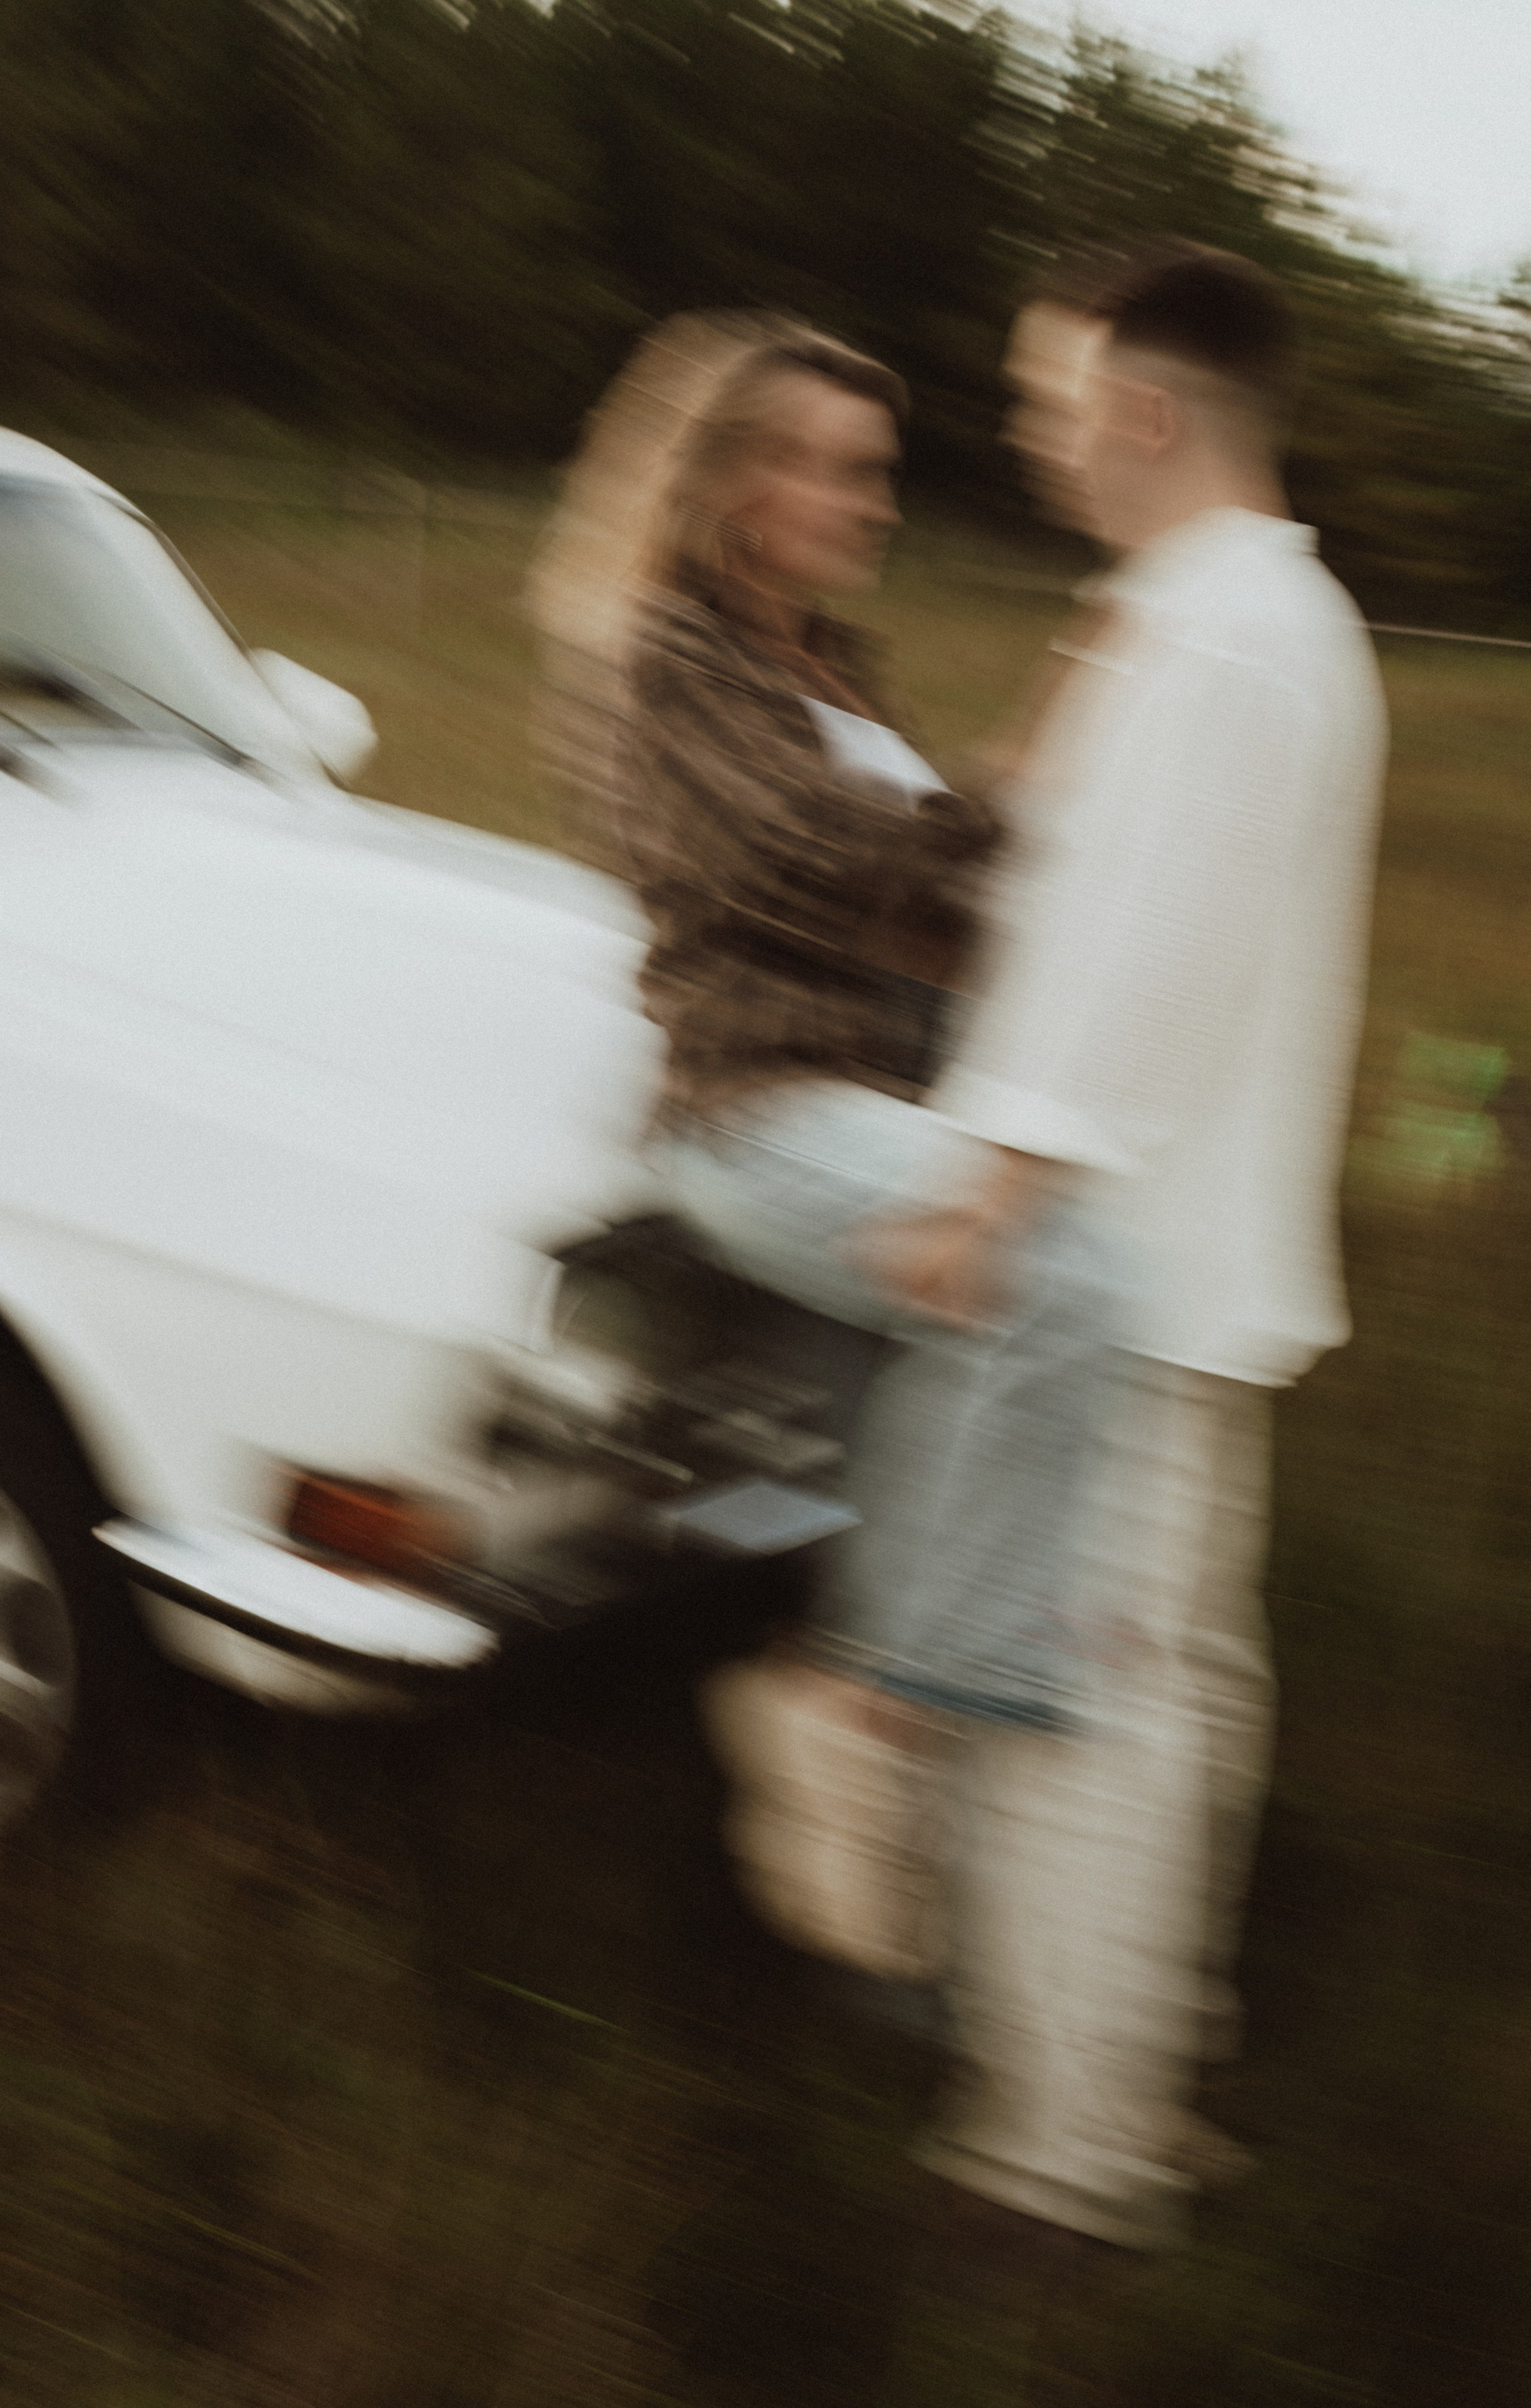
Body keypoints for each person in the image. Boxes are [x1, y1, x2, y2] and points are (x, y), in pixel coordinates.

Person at [842, 241, 1388, 2248]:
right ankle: (1150, 2059)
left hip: (1121, 1272)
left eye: (1042, 392)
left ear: (1143, 409)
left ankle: (1064, 2141)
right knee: (1175, 1695)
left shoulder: (1224, 640)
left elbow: (1135, 967)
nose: (1022, 425)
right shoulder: (1236, 617)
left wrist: (993, 1192)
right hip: (1189, 1260)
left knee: (1078, 1706)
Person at [529, 312, 1130, 1964]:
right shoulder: (655, 655)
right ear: (727, 474)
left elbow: (940, 903)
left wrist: (978, 868)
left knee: (909, 1516)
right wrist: (1038, 760)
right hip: (757, 1120)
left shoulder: (833, 667)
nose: (859, 496)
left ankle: (913, 1999)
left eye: (871, 466)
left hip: (894, 1112)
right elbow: (807, 860)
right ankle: (846, 1704)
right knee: (1066, 1284)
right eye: (815, 460)